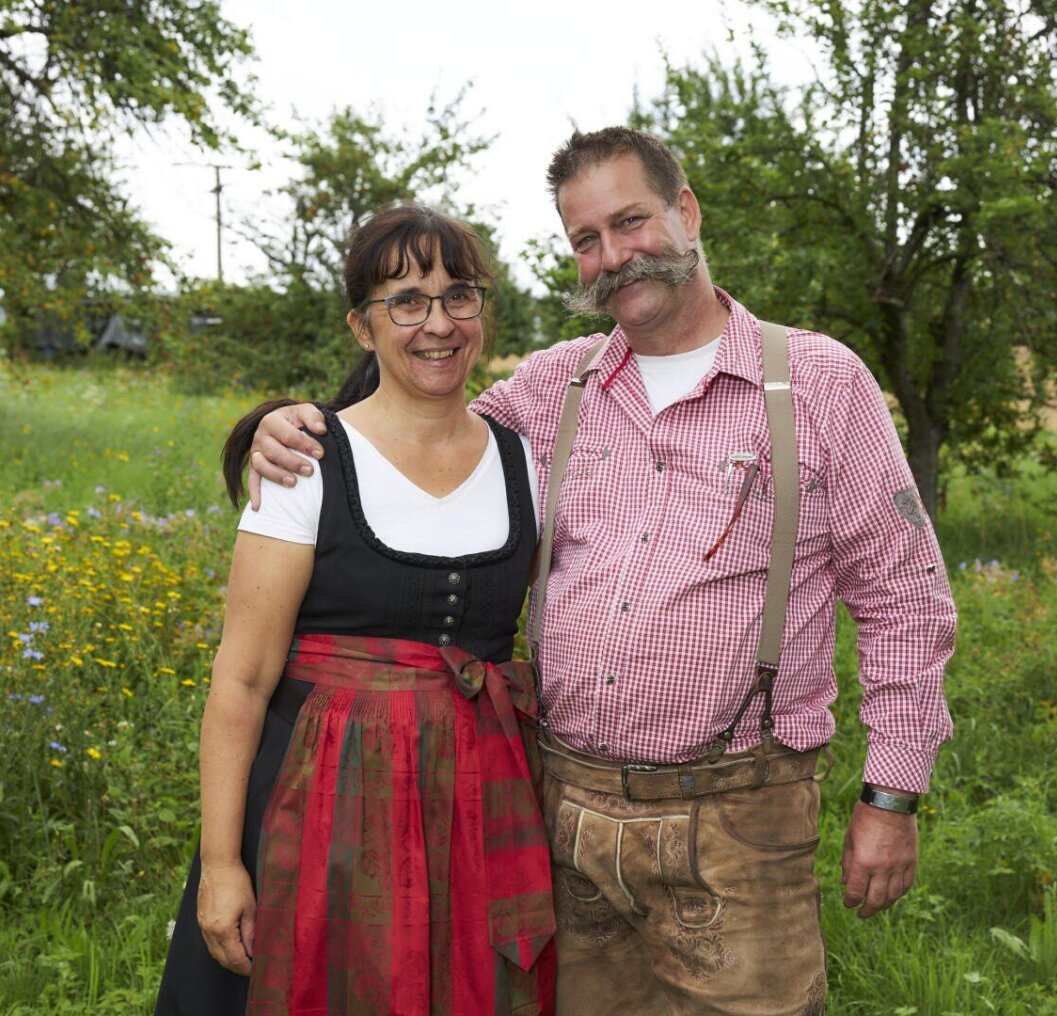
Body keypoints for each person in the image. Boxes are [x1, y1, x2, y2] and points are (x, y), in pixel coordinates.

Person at [247, 127, 956, 1015]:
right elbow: (411, 429)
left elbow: (904, 599)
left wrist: (891, 798)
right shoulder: (550, 388)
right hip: (562, 815)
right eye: (586, 239)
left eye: (630, 222)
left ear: (686, 210)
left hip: (740, 820)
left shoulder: (817, 382)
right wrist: (286, 425)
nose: (614, 255)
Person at [155, 203, 555, 1015]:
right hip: (317, 808)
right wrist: (223, 863)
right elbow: (242, 680)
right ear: (362, 327)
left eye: (458, 295)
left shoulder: (525, 460)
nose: (437, 323)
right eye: (406, 301)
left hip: (473, 809)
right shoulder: (306, 462)